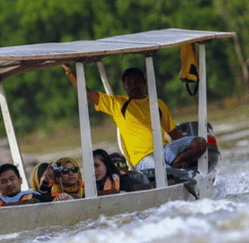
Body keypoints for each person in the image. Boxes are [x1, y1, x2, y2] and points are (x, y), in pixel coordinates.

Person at [62, 64, 207, 171]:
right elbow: (88, 94)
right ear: (125, 87)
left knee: (200, 142)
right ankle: (179, 172)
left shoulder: (157, 103)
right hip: (143, 159)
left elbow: (174, 133)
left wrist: (189, 150)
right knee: (163, 170)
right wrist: (70, 73)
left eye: (137, 82)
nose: (133, 86)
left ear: (144, 82)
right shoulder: (118, 104)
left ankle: (177, 163)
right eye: (129, 83)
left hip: (165, 151)